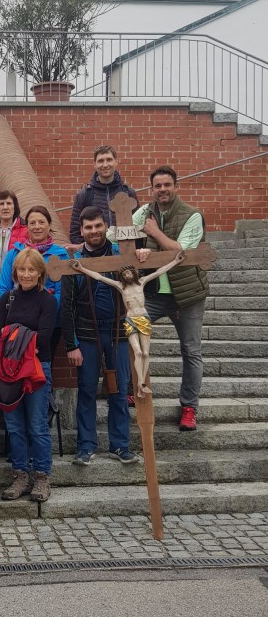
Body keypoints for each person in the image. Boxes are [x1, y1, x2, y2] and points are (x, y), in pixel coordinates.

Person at [129, 165, 209, 431]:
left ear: (176, 186)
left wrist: (153, 232)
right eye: (157, 186)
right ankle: (135, 386)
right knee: (128, 329)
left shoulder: (192, 216)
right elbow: (115, 235)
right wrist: (139, 251)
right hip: (154, 294)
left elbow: (181, 253)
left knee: (191, 350)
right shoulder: (143, 212)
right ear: (151, 189)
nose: (162, 190)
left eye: (167, 185)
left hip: (187, 295)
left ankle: (189, 406)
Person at [61, 206, 138, 466]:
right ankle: (86, 445)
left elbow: (136, 288)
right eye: (88, 227)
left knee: (119, 389)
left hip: (117, 334)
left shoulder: (121, 255)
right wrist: (71, 344)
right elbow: (67, 307)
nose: (94, 231)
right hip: (86, 336)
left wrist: (141, 255)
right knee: (86, 390)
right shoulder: (74, 262)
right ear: (81, 230)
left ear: (106, 226)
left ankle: (121, 445)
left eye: (98, 226)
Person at [69, 251, 185, 398]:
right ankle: (140, 384)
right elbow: (99, 276)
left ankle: (142, 382)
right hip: (130, 320)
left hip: (143, 319)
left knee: (145, 353)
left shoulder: (141, 282)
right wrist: (81, 269)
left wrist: (175, 261)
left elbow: (159, 272)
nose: (127, 275)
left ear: (134, 273)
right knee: (137, 352)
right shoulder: (120, 286)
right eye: (124, 274)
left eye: (129, 272)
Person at [0, 249, 56, 502]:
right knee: (14, 426)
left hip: (38, 369)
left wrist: (13, 334)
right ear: (15, 271)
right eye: (21, 269)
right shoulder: (8, 298)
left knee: (37, 426)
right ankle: (20, 475)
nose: (26, 274)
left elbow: (45, 337)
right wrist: (25, 337)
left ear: (40, 272)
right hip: (8, 371)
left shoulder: (47, 301)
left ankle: (41, 476)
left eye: (31, 269)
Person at [0, 205, 70, 359]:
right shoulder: (14, 254)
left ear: (49, 225)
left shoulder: (61, 256)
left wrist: (42, 312)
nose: (37, 227)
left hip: (49, 324)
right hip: (15, 324)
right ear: (26, 226)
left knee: (42, 368)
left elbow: (61, 292)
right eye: (32, 223)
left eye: (41, 222)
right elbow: (3, 287)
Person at [69, 145, 138, 245]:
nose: (105, 165)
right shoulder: (84, 195)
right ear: (95, 164)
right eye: (101, 161)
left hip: (124, 253)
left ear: (116, 162)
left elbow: (137, 226)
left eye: (109, 160)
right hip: (94, 256)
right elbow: (75, 232)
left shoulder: (128, 193)